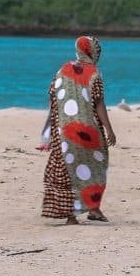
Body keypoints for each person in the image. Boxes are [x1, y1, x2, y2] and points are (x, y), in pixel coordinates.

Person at [42, 35, 118, 225]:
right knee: (94, 167)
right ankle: (94, 208)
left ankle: (71, 216)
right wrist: (109, 129)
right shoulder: (94, 73)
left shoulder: (62, 70)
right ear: (92, 52)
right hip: (89, 131)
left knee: (67, 170)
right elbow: (99, 103)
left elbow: (53, 98)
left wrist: (50, 131)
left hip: (64, 131)